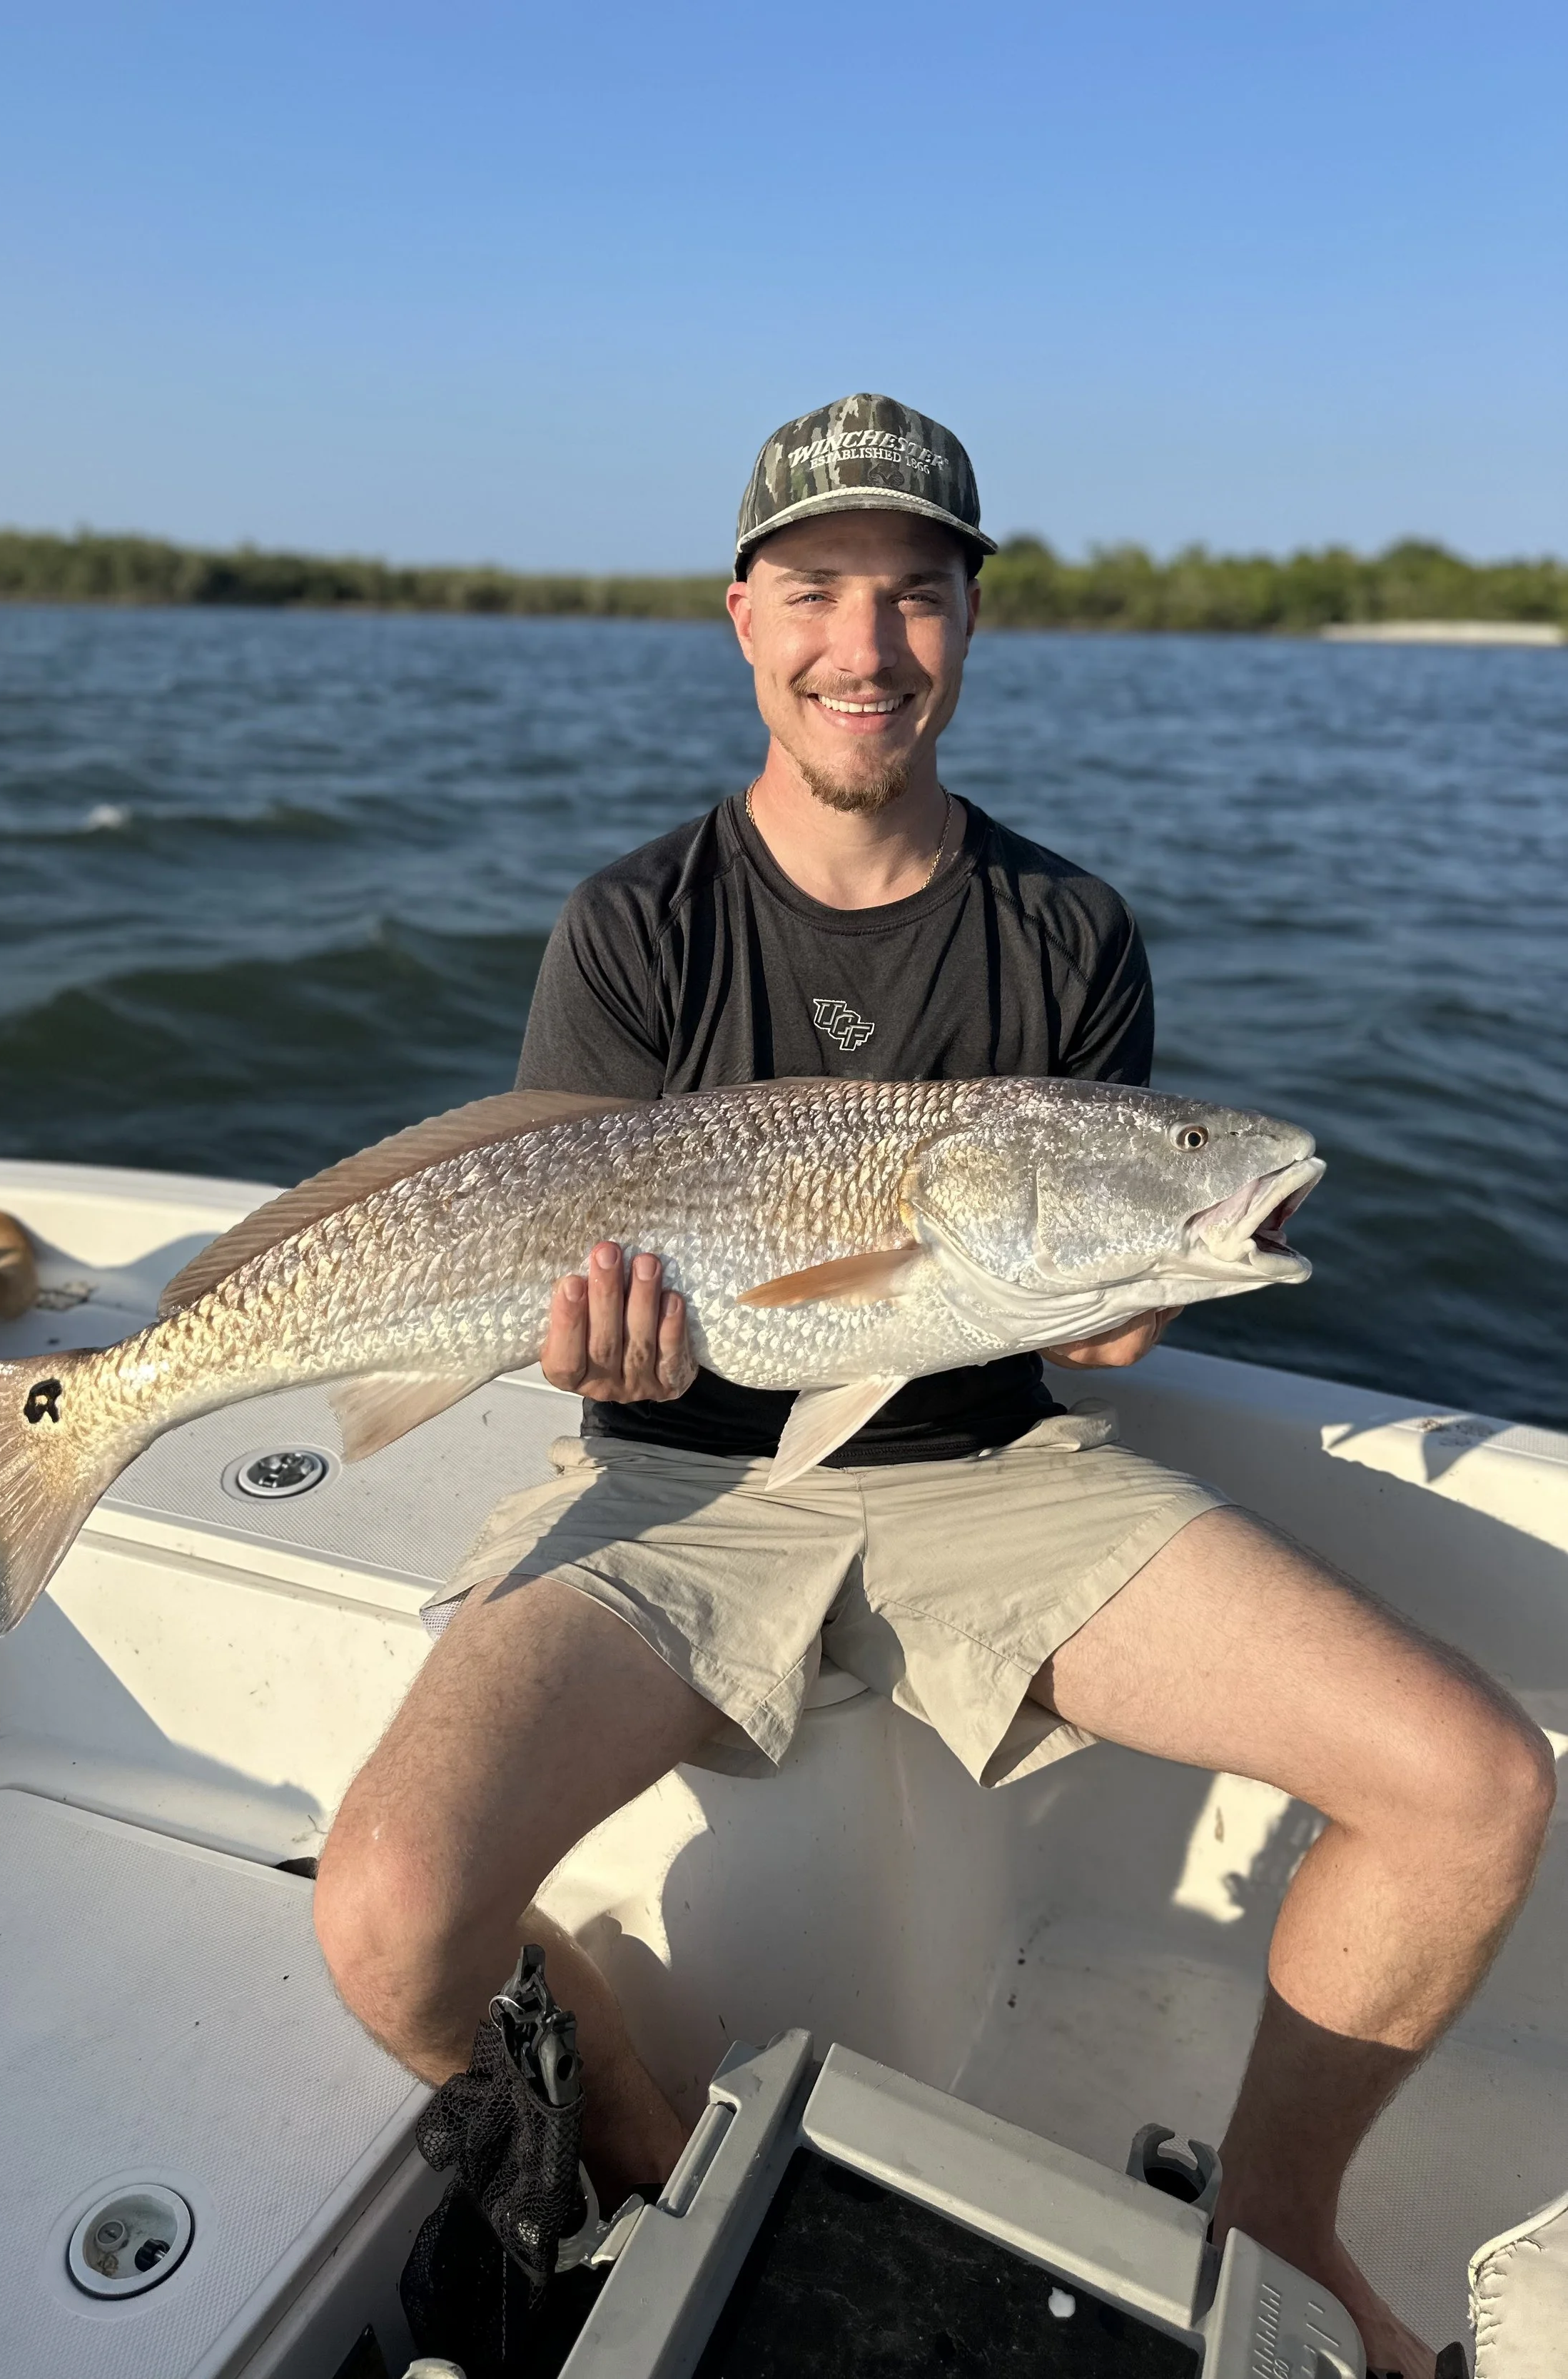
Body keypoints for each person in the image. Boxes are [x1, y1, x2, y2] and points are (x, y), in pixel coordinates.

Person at [314, 394, 1552, 2376]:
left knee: (1475, 1786)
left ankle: (1273, 2227)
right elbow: (547, 1219)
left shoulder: (1068, 931)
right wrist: (578, 1337)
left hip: (993, 1468)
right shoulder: (634, 924)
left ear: (970, 622)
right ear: (742, 616)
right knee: (387, 1910)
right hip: (671, 1487)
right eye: (815, 589)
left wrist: (1137, 1277)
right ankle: (647, 2152)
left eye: (914, 594)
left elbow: (1060, 1266)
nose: (863, 644)